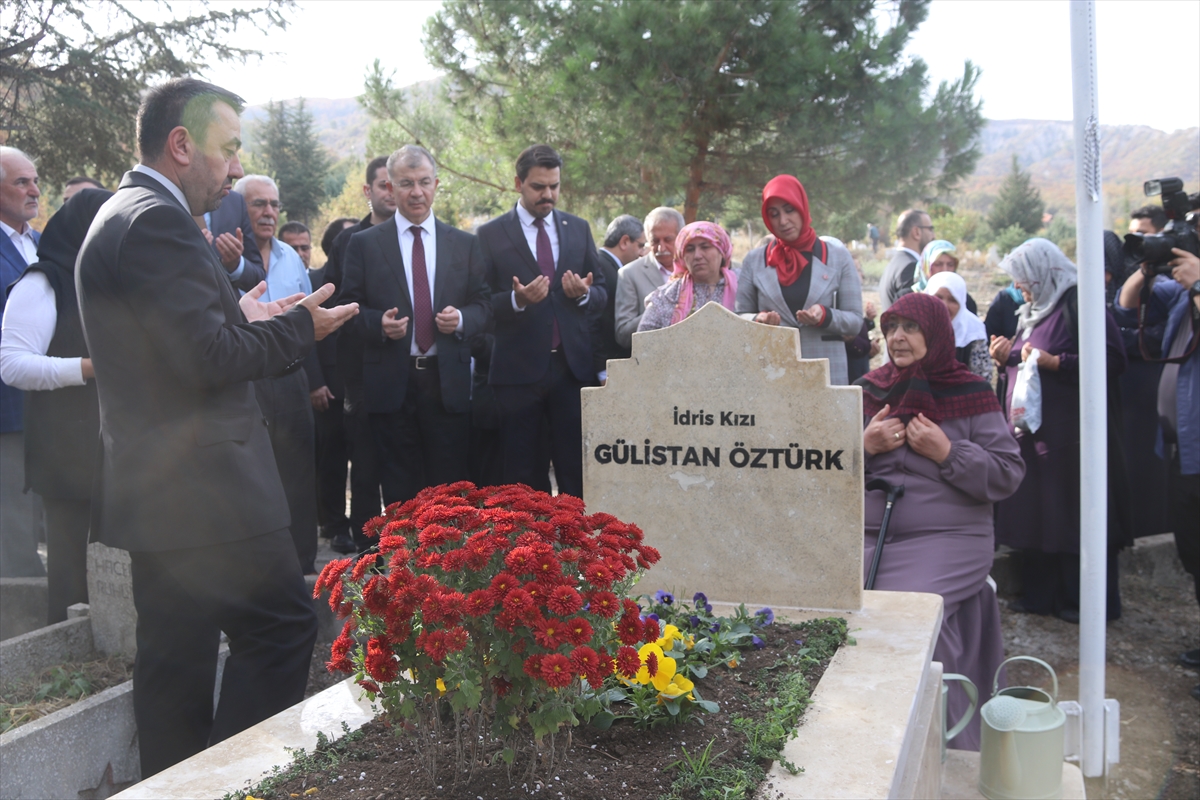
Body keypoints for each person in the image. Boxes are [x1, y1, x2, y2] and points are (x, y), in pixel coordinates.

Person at [75, 78, 357, 777]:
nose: (235, 170)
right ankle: (230, 787)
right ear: (180, 145)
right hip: (209, 490)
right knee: (286, 630)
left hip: (166, 492)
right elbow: (207, 358)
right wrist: (298, 329)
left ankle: (176, 790)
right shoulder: (158, 222)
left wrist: (244, 316)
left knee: (177, 661)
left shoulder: (125, 213)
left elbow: (178, 342)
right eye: (228, 150)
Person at [856, 292, 1023, 749]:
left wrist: (949, 452)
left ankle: (933, 741)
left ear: (935, 334)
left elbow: (1008, 472)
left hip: (949, 536)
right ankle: (858, 731)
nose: (897, 337)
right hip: (869, 532)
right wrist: (862, 446)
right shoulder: (869, 388)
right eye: (891, 327)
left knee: (907, 610)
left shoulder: (970, 392)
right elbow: (820, 467)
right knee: (833, 603)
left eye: (910, 327)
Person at [339, 144, 490, 505]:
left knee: (450, 491)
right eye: (406, 183)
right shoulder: (363, 244)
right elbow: (347, 308)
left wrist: (462, 319)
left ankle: (447, 562)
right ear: (390, 188)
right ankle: (403, 562)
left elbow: (484, 304)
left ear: (436, 184)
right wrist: (379, 324)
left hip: (446, 384)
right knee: (399, 492)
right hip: (393, 383)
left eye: (424, 182)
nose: (416, 192)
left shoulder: (465, 244)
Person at [992, 238, 1129, 624]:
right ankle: (1040, 596)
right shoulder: (1033, 312)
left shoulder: (1079, 304)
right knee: (1038, 515)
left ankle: (1081, 601)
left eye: (1025, 279)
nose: (1020, 287)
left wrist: (1057, 362)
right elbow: (1025, 364)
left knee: (1071, 516)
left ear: (1044, 273)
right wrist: (1005, 360)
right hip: (1034, 436)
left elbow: (1114, 360)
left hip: (1072, 437)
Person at [1, 189, 111, 622]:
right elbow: (12, 364)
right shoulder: (43, 280)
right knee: (71, 572)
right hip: (66, 452)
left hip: (113, 448)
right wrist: (88, 367)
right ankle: (70, 661)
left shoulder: (110, 282)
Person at [478, 144, 606, 499]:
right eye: (538, 187)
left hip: (571, 369)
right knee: (522, 476)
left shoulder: (578, 229)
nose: (548, 195)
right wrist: (516, 300)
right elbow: (478, 305)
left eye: (554, 186)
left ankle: (577, 551)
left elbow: (602, 293)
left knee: (575, 472)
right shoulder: (490, 234)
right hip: (517, 374)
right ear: (518, 183)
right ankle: (528, 552)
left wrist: (582, 293)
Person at [1113, 244, 1200, 699]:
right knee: (1192, 552)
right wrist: (1145, 269)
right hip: (1181, 448)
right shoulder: (1182, 295)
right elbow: (1126, 305)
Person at [233, 174, 319, 574]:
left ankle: (302, 566)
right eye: (257, 204)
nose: (268, 213)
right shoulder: (218, 258)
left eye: (273, 205)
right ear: (237, 208)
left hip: (290, 380)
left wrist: (315, 381)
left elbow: (309, 322)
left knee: (298, 474)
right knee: (253, 478)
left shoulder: (290, 257)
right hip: (244, 381)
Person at [325, 157, 395, 553]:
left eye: (395, 184)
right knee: (365, 472)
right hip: (364, 377)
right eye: (383, 185)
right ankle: (369, 558)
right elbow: (337, 309)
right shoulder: (349, 243)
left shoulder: (418, 238)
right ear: (368, 191)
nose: (391, 192)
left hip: (413, 378)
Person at [735, 174, 864, 385]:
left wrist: (826, 316)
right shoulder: (754, 260)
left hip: (827, 374)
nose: (783, 221)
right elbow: (739, 317)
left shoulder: (837, 256)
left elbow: (855, 321)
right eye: (774, 214)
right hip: (772, 372)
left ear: (802, 207)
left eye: (789, 209)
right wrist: (759, 320)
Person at [0, 145, 46, 580]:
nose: (34, 190)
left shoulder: (37, 242)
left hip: (45, 401)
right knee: (11, 514)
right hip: (6, 409)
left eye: (34, 180)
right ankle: (19, 612)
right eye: (21, 182)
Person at [310, 217, 356, 546]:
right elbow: (309, 335)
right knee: (333, 459)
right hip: (329, 383)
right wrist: (316, 381)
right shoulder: (319, 282)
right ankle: (334, 523)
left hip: (362, 381)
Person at [639, 221, 739, 332]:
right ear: (681, 256)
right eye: (690, 249)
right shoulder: (666, 297)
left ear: (722, 251)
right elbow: (644, 342)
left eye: (705, 247)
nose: (697, 256)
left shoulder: (743, 286)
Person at [614, 206, 683, 348]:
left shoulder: (697, 268)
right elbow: (623, 335)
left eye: (668, 240)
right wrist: (656, 310)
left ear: (681, 237)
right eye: (655, 241)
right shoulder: (629, 274)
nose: (661, 248)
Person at [196, 173, 265, 293]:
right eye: (226, 155)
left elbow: (258, 277)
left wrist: (235, 264)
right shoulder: (159, 197)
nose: (238, 170)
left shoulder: (235, 201)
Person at [595, 215, 644, 375]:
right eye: (640, 245)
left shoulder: (603, 265)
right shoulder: (602, 269)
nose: (642, 253)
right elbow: (596, 322)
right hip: (605, 367)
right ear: (624, 242)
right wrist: (602, 368)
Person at [925, 271, 991, 381]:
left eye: (952, 300)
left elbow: (981, 378)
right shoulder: (915, 327)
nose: (944, 305)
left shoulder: (973, 330)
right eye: (938, 297)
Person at [880, 208, 934, 309]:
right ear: (916, 232)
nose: (933, 235)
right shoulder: (911, 267)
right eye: (930, 229)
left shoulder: (896, 262)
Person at [911, 239, 978, 314]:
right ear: (926, 266)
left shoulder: (964, 301)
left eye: (950, 264)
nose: (944, 269)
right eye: (938, 264)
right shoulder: (910, 299)